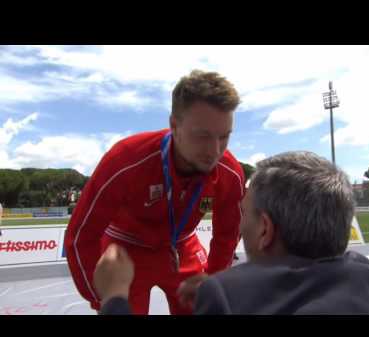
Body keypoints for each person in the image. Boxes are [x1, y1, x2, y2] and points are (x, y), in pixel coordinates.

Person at [65, 70, 245, 315]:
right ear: (174, 125)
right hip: (124, 250)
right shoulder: (125, 159)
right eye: (202, 136)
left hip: (182, 246)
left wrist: (213, 280)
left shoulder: (230, 172)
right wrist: (102, 299)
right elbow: (80, 235)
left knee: (206, 304)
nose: (215, 151)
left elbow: (227, 236)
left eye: (224, 137)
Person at [179, 151, 369, 314]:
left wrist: (223, 288)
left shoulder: (225, 298)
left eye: (244, 213)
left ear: (265, 229)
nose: (240, 225)